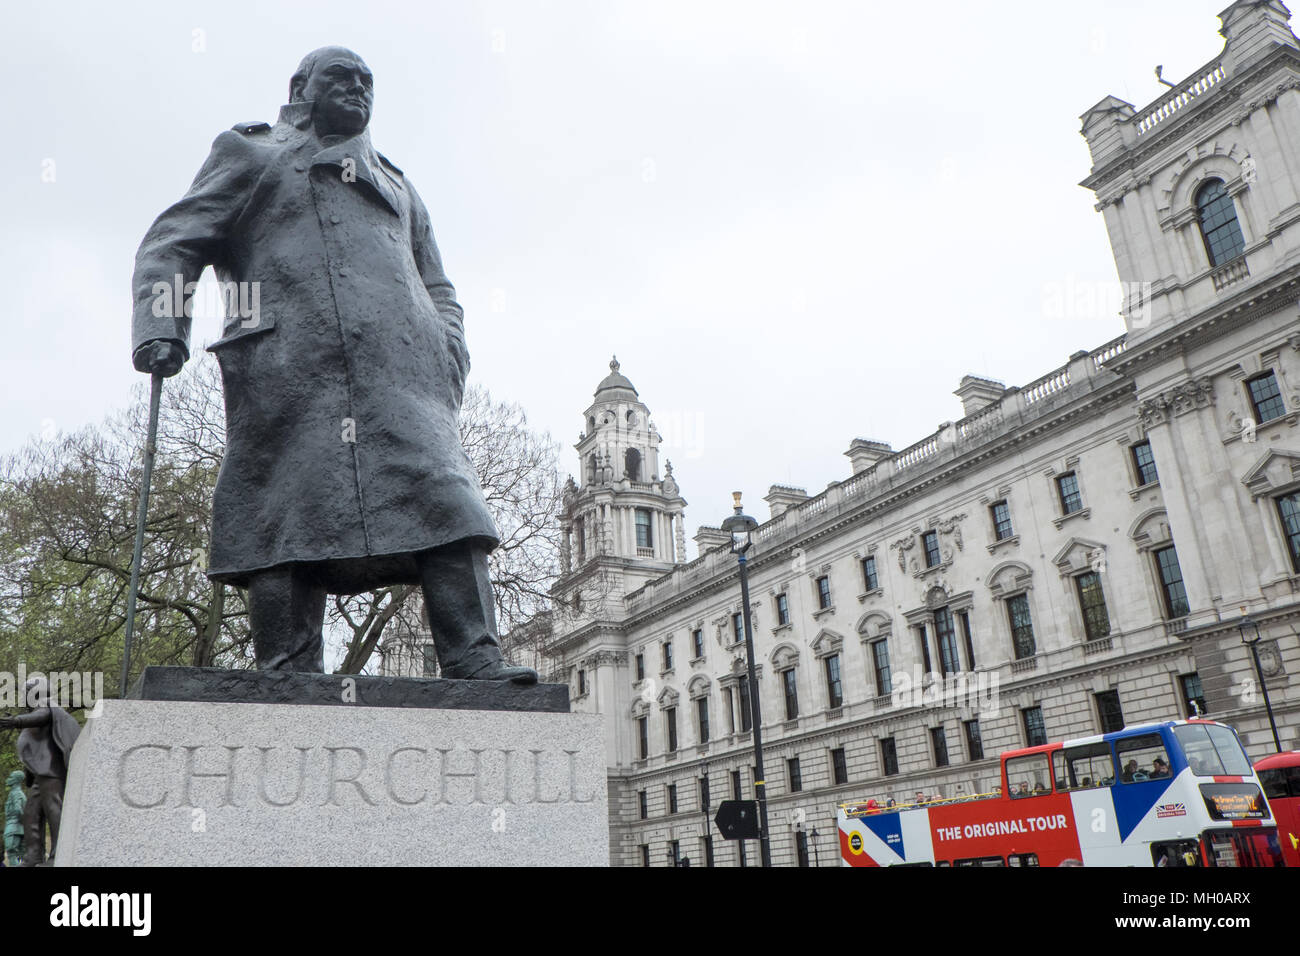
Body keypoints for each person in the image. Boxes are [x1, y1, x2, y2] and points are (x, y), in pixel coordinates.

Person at [130, 47, 535, 682]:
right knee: (282, 512)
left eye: (367, 81)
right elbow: (173, 243)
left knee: (447, 504)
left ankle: (475, 657)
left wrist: (446, 349)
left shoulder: (400, 185)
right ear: (301, 87)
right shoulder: (251, 155)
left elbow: (440, 285)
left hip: (405, 381)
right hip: (288, 371)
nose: (357, 90)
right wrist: (163, 329)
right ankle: (288, 669)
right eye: (340, 78)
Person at [0, 677, 80, 865]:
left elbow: (42, 715)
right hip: (39, 773)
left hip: (51, 771)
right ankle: (34, 854)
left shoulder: (47, 706)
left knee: (54, 809)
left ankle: (58, 854)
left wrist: (16, 721)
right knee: (31, 813)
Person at [3, 771, 26, 867]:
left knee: (12, 852)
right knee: (20, 854)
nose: (9, 779)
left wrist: (19, 823)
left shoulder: (16, 793)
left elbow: (18, 809)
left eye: (11, 777)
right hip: (18, 826)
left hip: (14, 826)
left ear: (16, 780)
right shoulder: (16, 792)